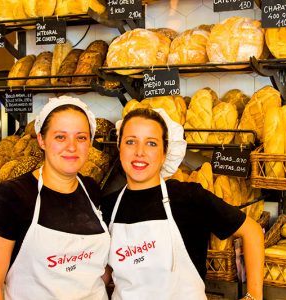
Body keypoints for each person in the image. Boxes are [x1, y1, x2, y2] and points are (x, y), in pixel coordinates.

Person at [101, 108, 264, 300]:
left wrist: (254, 296)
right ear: (119, 147)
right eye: (130, 141)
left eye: (151, 143)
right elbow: (108, 269)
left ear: (164, 153)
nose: (140, 152)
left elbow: (251, 231)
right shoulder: (108, 207)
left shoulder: (189, 197)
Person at [0, 96, 110, 300]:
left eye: (81, 137)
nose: (72, 146)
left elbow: (98, 271)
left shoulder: (91, 189)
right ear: (41, 140)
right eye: (60, 137)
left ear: (90, 143)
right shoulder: (12, 196)